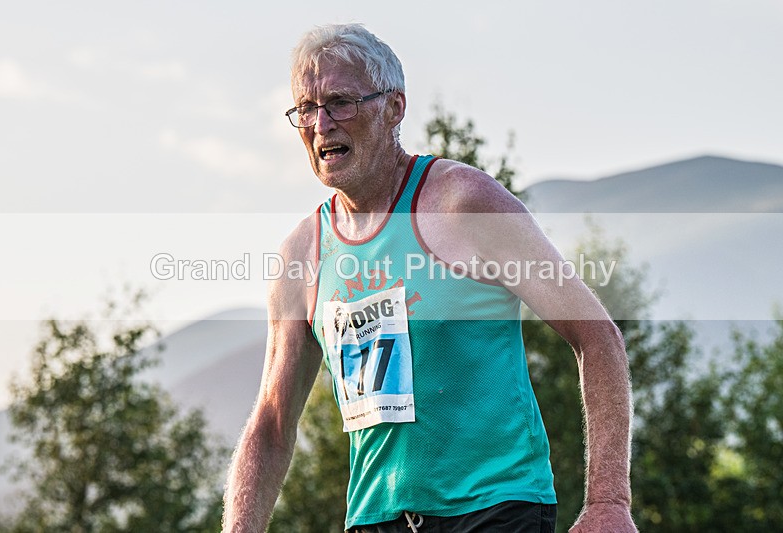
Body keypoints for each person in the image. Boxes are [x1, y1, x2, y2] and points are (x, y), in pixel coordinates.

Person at [223, 23, 637, 533]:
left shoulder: (463, 202)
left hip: (495, 510)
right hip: (375, 520)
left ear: (393, 108)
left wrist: (608, 504)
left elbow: (598, 338)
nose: (321, 123)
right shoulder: (301, 256)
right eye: (305, 109)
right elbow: (271, 424)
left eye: (340, 102)